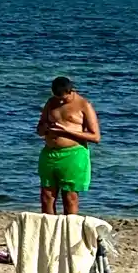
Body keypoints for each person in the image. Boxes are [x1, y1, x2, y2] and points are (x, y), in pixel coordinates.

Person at [36, 76, 100, 215]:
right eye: (57, 97)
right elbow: (39, 129)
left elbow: (95, 136)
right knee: (47, 196)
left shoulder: (84, 104)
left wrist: (67, 132)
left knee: (69, 197)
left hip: (73, 154)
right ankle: (50, 232)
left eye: (63, 99)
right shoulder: (51, 102)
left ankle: (69, 231)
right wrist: (46, 128)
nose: (60, 101)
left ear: (71, 91)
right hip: (50, 153)